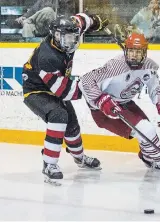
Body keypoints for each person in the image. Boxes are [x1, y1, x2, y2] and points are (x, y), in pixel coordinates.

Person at [79, 32, 160, 179]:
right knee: (146, 129)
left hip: (124, 103)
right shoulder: (116, 66)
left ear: (144, 52)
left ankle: (149, 157)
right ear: (126, 50)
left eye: (138, 52)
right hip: (104, 110)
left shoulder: (149, 66)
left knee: (146, 130)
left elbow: (155, 87)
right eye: (131, 51)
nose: (133, 55)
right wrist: (101, 100)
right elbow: (85, 81)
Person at [22, 13, 109, 183]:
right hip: (36, 90)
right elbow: (64, 92)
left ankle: (80, 158)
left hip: (56, 85)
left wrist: (97, 21)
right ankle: (49, 164)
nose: (72, 42)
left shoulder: (70, 30)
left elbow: (83, 19)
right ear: (55, 36)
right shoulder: (47, 57)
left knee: (72, 125)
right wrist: (91, 89)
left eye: (74, 38)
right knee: (59, 116)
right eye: (68, 38)